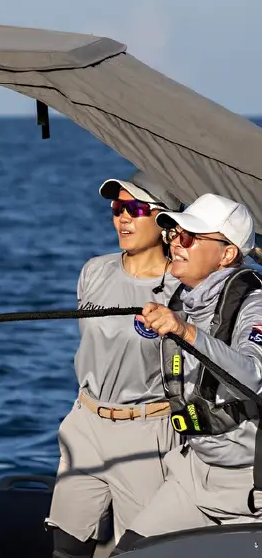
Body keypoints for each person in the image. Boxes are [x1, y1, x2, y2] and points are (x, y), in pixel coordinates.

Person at [109, 193, 262, 554]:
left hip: (248, 489)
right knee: (127, 553)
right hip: (193, 477)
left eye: (190, 237)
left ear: (227, 254)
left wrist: (186, 332)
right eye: (175, 232)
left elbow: (255, 377)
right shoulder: (184, 298)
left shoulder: (255, 303)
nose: (176, 241)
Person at [46, 173, 184, 556]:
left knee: (142, 549)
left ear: (165, 220)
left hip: (146, 428)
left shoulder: (181, 286)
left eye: (136, 209)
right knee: (66, 544)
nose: (123, 218)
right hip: (85, 422)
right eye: (117, 208)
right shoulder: (94, 270)